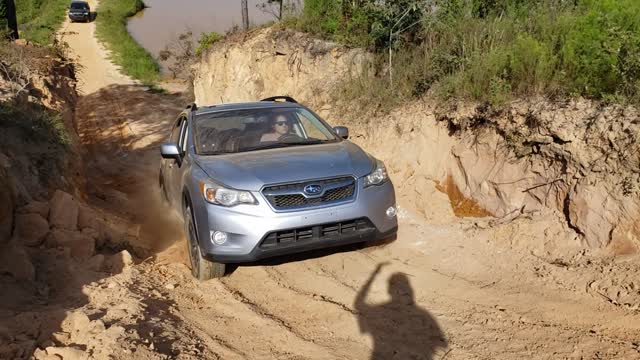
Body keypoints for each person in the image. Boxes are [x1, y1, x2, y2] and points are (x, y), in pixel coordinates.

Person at [355, 263, 448, 359]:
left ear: (389, 291)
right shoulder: (423, 314)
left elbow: (358, 303)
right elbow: (442, 345)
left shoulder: (378, 311)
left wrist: (374, 274)